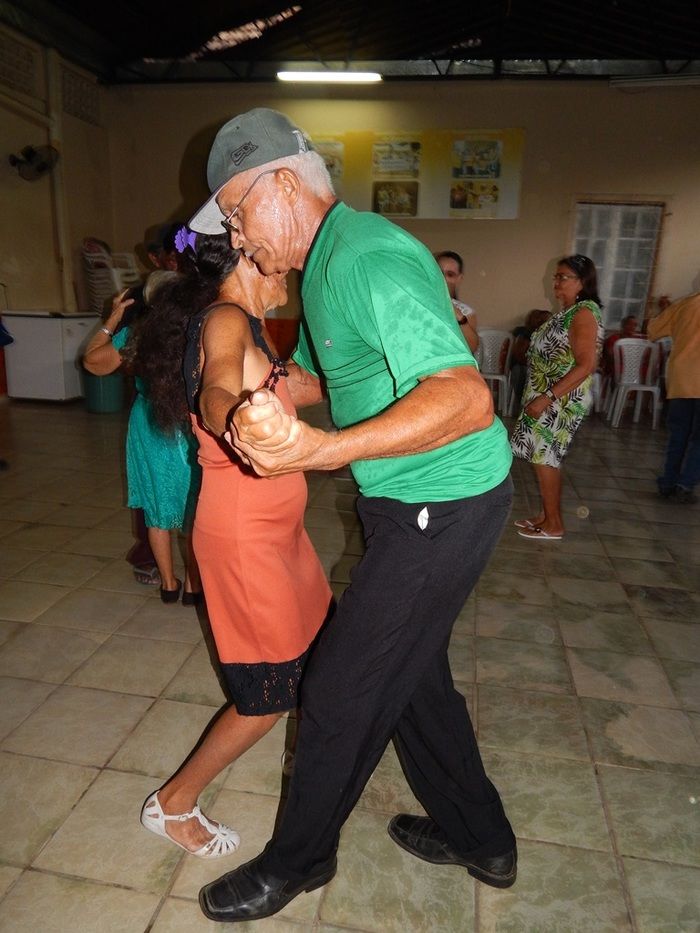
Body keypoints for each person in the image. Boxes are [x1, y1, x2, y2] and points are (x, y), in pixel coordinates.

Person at [188, 107, 516, 923]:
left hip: (443, 499)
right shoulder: (327, 265)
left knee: (338, 688)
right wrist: (253, 405)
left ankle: (297, 859)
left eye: (236, 211)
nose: (235, 235)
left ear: (285, 186)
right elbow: (328, 381)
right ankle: (483, 838)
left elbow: (465, 397)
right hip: (414, 500)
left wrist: (316, 451)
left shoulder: (363, 256)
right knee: (415, 683)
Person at [134, 229, 332, 858]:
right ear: (247, 257)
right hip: (245, 539)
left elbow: (304, 388)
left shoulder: (250, 324)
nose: (289, 274)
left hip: (280, 533)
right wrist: (238, 417)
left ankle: (312, 766)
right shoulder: (223, 318)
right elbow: (218, 389)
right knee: (266, 694)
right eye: (283, 265)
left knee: (313, 652)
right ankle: (172, 804)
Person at [82, 273, 202, 603]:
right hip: (187, 424)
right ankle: (194, 587)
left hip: (149, 424)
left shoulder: (136, 336)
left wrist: (114, 318)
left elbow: (93, 361)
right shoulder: (201, 329)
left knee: (157, 510)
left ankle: (168, 584)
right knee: (194, 510)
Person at [510, 254, 604, 540]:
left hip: (559, 401)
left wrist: (547, 397)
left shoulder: (584, 313)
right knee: (540, 456)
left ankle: (554, 524)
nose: (556, 282)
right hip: (547, 395)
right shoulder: (569, 311)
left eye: (563, 277)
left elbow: (587, 364)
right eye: (556, 276)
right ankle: (546, 515)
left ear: (582, 282)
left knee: (545, 457)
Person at [121, 221, 184, 586]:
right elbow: (109, 356)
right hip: (153, 404)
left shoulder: (200, 295)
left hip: (188, 409)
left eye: (183, 253)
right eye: (170, 253)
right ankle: (154, 561)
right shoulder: (139, 297)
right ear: (155, 256)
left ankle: (183, 577)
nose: (176, 260)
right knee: (154, 488)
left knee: (190, 489)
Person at [647, 290, 700, 503]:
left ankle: (668, 483)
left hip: (681, 379)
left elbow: (652, 331)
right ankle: (685, 485)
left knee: (678, 434)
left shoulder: (684, 304)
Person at [434, 250, 479, 353]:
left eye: (450, 275)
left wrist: (459, 317)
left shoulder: (466, 312)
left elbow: (471, 348)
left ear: (459, 279)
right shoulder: (417, 302)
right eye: (439, 273)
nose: (443, 279)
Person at [509, 308, 551, 404]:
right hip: (523, 366)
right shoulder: (525, 336)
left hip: (541, 368)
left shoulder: (549, 337)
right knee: (521, 372)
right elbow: (520, 357)